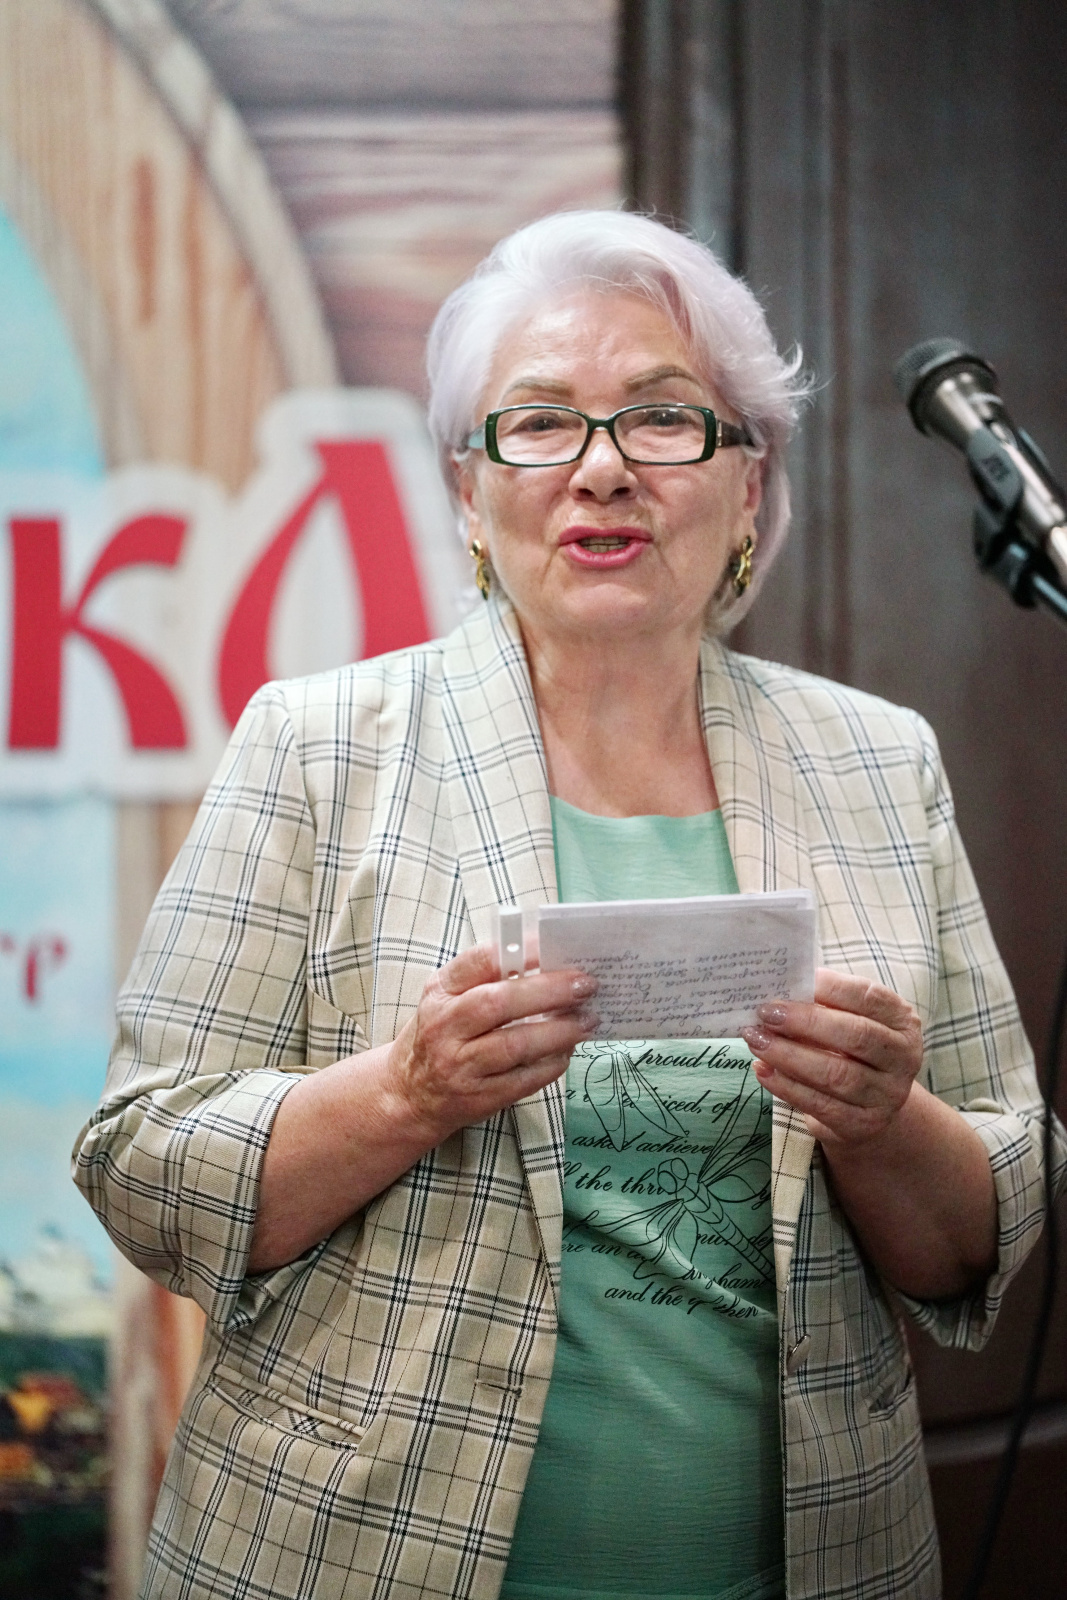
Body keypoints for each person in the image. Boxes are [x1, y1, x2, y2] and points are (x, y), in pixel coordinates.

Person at [74, 210, 1063, 1600]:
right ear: (470, 494)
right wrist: (407, 1093)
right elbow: (143, 1166)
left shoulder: (877, 761)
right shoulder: (319, 745)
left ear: (748, 484)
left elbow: (983, 1231)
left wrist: (884, 1118)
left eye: (662, 417)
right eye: (540, 423)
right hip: (349, 1557)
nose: (603, 468)